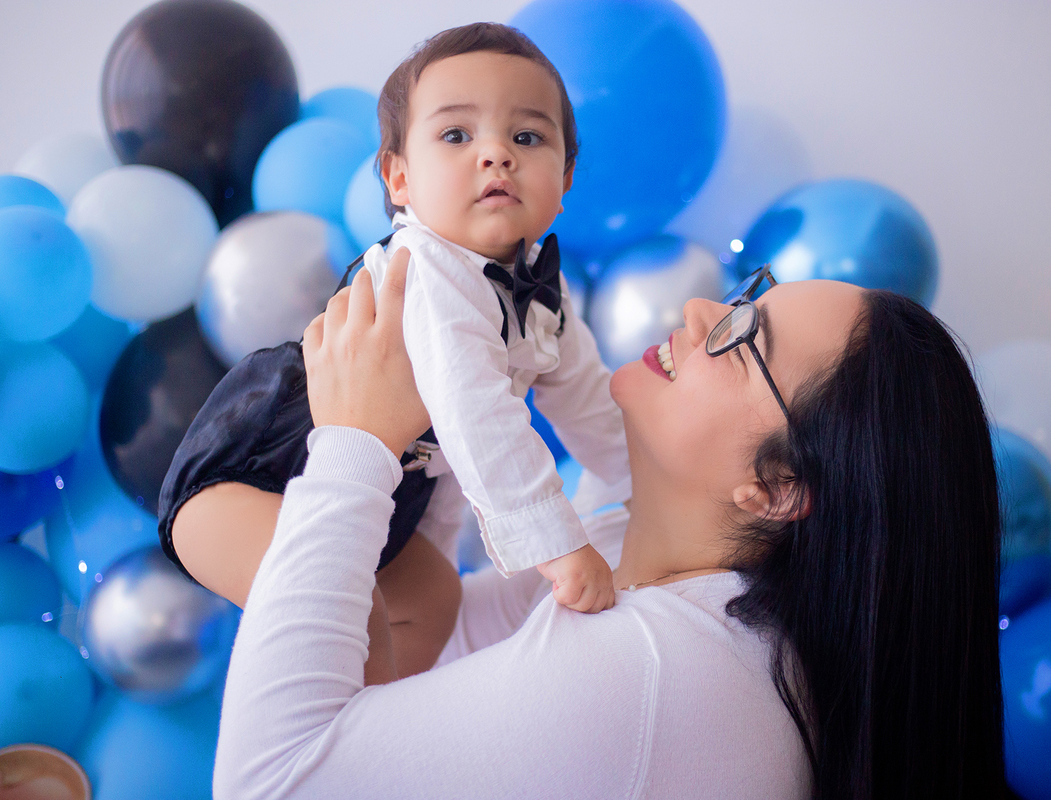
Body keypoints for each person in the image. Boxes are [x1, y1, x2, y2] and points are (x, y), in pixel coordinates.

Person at [209, 247, 1007, 799]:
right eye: (743, 299)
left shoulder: (663, 668)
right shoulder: (630, 551)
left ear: (779, 488)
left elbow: (270, 780)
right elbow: (433, 649)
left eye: (742, 338)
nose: (700, 312)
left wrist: (354, 443)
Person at [162, 23, 629, 684]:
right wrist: (559, 545)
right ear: (399, 178)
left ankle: (375, 727)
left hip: (380, 500)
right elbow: (476, 419)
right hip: (254, 475)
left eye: (527, 137)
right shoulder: (426, 273)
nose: (495, 153)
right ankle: (340, 739)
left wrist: (649, 483)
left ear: (564, 181)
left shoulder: (538, 290)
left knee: (433, 604)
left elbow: (587, 403)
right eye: (457, 135)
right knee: (353, 623)